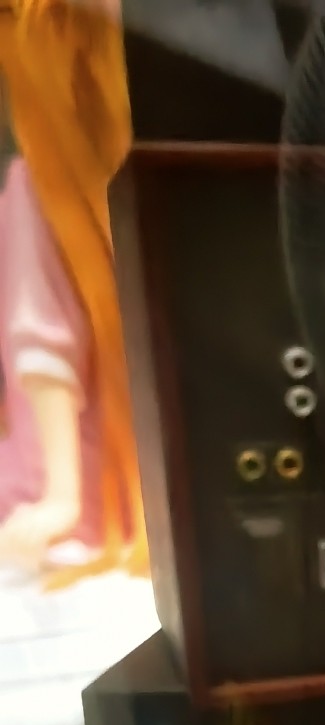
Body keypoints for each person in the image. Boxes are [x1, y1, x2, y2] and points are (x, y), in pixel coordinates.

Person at [0, 0, 146, 581]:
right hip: (68, 498)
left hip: (117, 500)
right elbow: (43, 347)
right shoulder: (40, 188)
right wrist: (60, 497)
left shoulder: (139, 184)